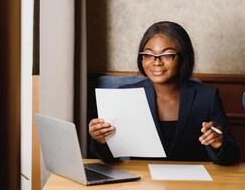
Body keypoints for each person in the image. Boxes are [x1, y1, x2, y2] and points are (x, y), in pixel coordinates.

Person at [89, 21, 240, 165]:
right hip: (144, 181)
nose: (156, 62)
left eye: (167, 55)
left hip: (193, 182)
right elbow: (108, 159)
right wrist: (100, 140)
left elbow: (232, 157)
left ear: (183, 57)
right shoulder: (126, 95)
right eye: (148, 55)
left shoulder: (207, 96)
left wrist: (219, 144)